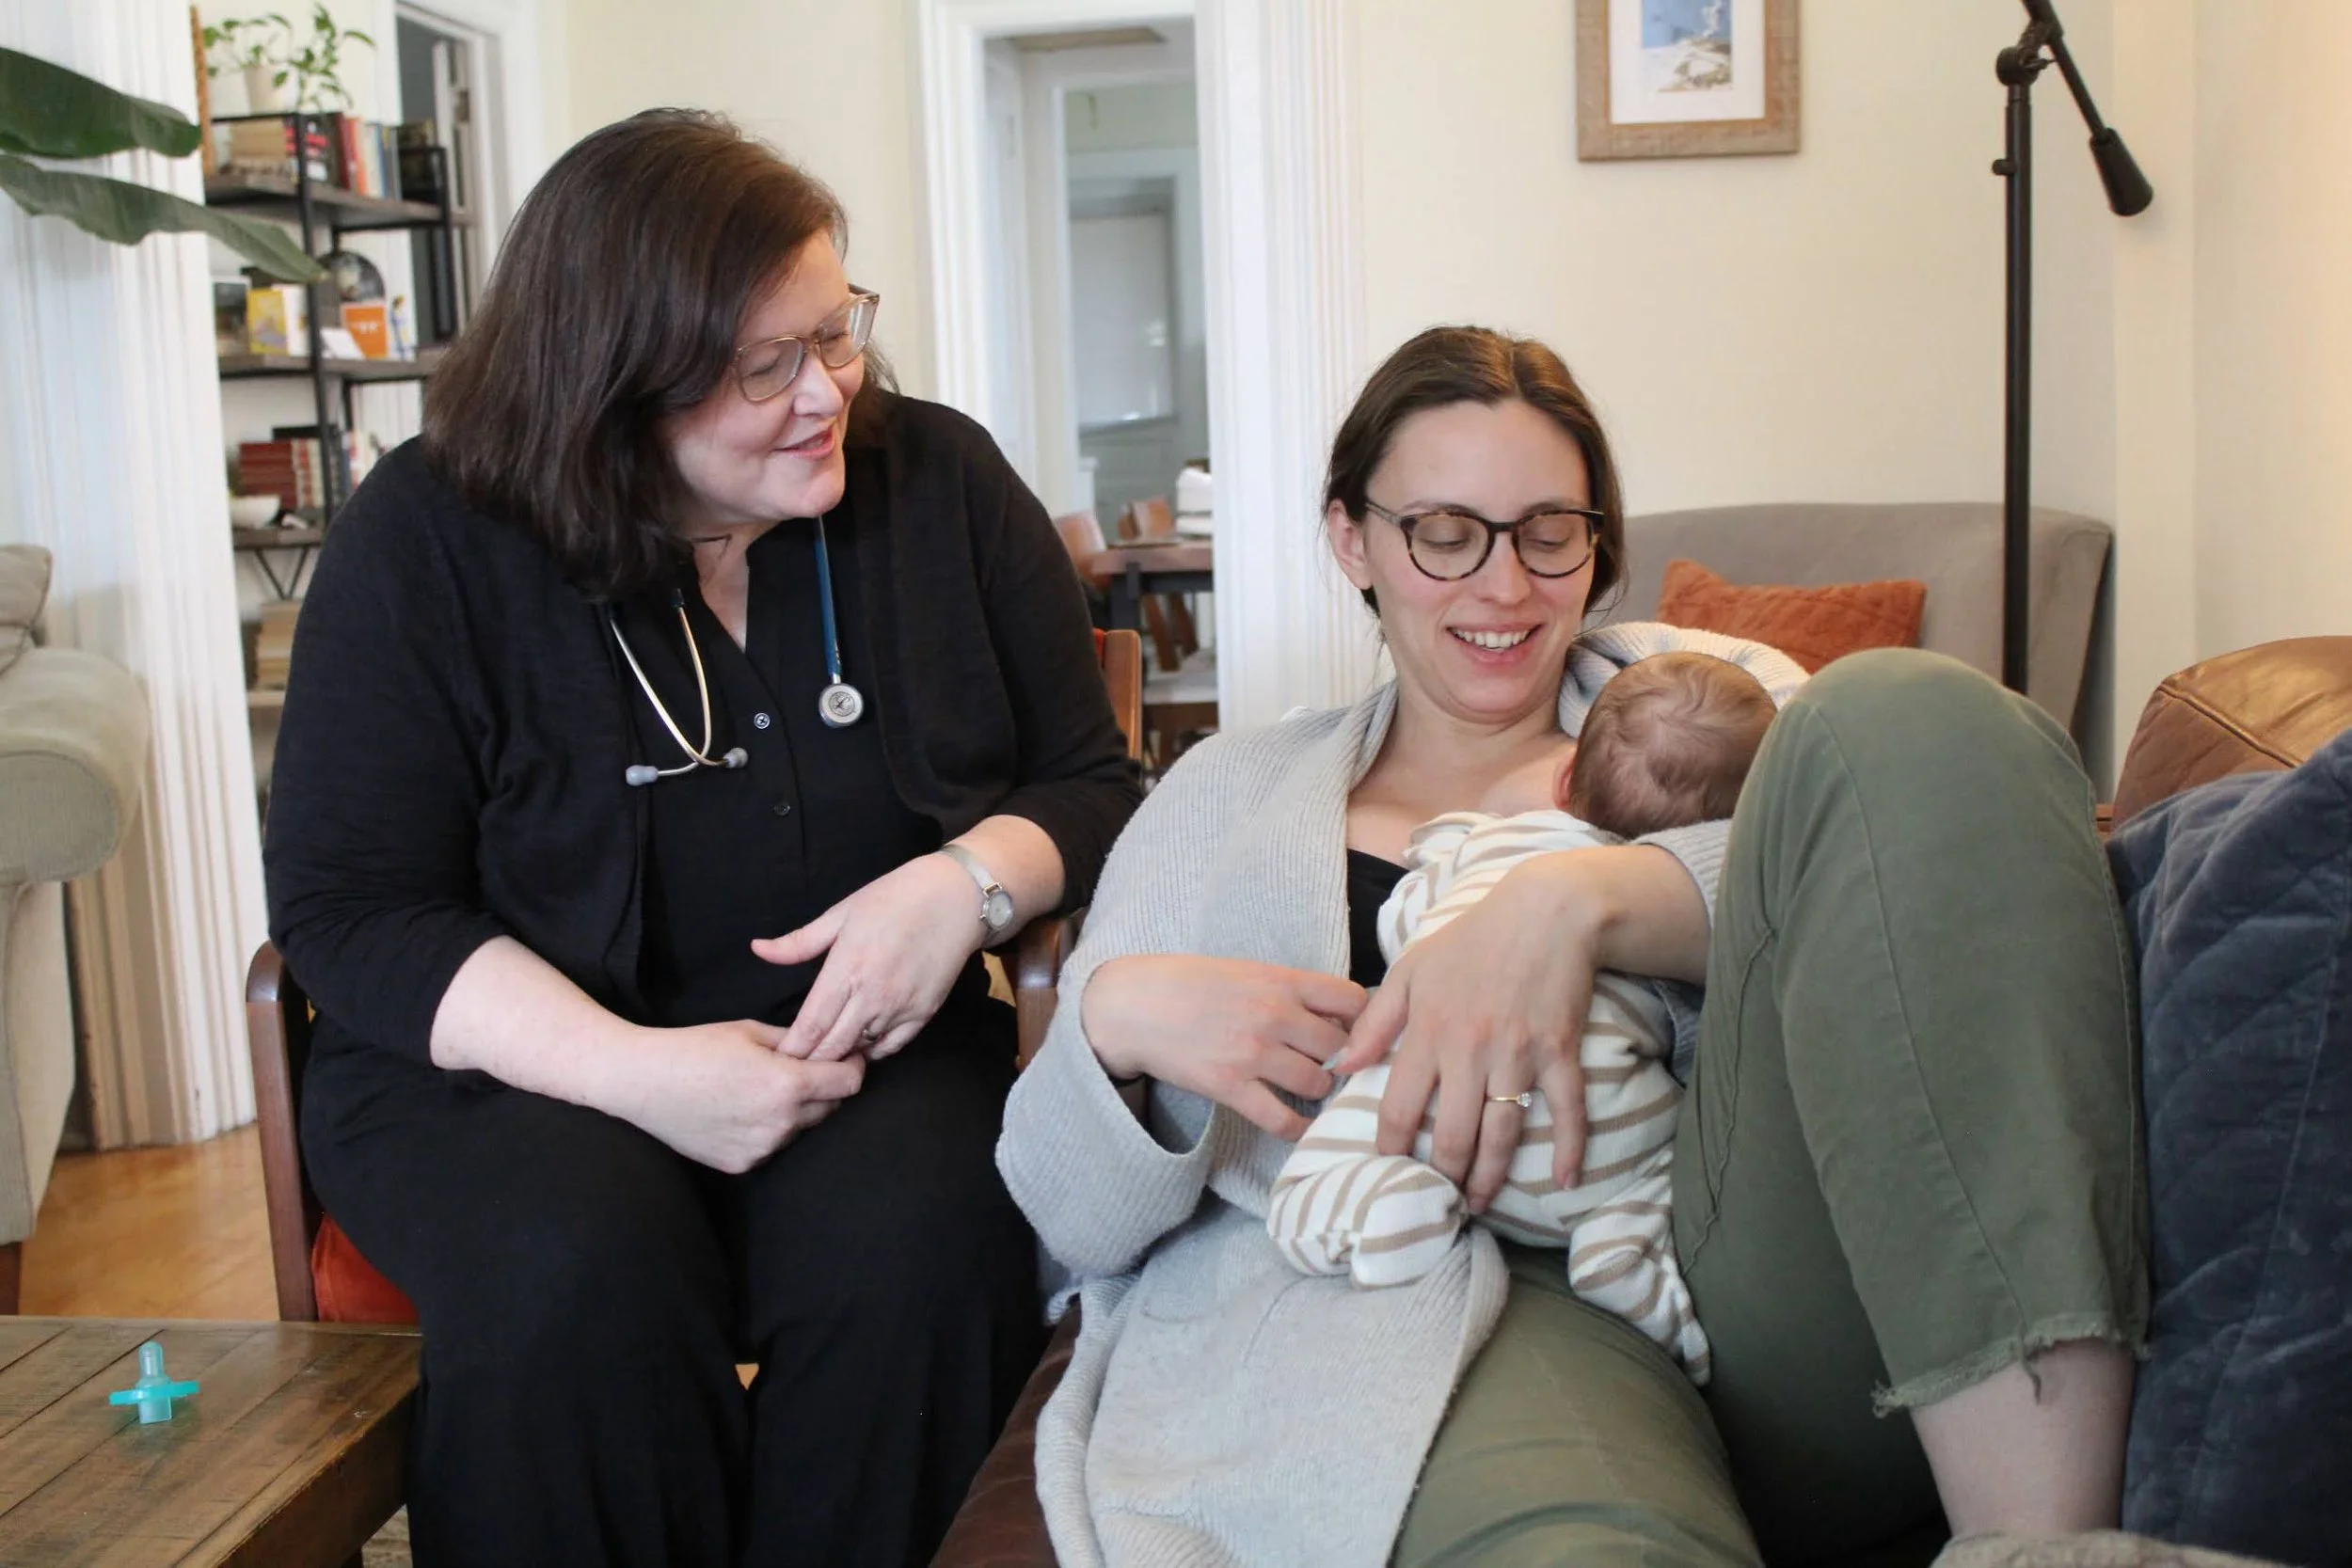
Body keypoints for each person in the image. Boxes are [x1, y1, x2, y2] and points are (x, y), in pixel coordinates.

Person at [996, 325, 2143, 1567]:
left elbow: (1891, 869)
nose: (1504, 585)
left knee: (1923, 708)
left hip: (1736, 1260)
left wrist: (1576, 902)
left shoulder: (1699, 698)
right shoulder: (1228, 792)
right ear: (1353, 539)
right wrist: (1112, 1020)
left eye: (1550, 529)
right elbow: (1071, 1224)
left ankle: (2046, 1542)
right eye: (1445, 530)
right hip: (1413, 1305)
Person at [265, 110, 1142, 1568]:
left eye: (836, 331)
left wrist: (963, 886)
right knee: (573, 1274)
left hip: (848, 1050)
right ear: (612, 387)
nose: (829, 392)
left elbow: (1093, 785)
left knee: (929, 1254)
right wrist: (637, 1072)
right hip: (502, 1071)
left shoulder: (938, 486)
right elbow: (348, 908)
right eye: (764, 367)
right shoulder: (427, 536)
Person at [1264, 648, 1785, 1386]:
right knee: (1672, 1154)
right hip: (1601, 1142)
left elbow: (1404, 924)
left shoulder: (1489, 838)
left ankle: (1393, 1211)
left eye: (1547, 535)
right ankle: (1620, 1245)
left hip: (1422, 1119)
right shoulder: (1252, 772)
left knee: (1317, 1169)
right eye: (1446, 535)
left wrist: (1454, 865)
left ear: (1566, 780)